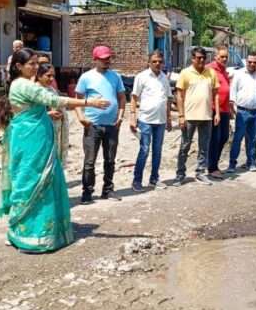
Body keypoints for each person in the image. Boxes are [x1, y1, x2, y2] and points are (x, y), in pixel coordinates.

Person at [0, 48, 109, 254]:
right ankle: (26, 232)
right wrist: (89, 102)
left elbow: (42, 104)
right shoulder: (21, 84)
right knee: (30, 180)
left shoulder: (26, 83)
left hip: (38, 137)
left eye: (36, 63)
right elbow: (55, 100)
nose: (35, 67)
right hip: (29, 140)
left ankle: (45, 230)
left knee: (46, 179)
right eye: (31, 64)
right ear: (19, 66)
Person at [74, 45, 126, 203]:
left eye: (108, 58)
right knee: (90, 161)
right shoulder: (86, 77)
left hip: (112, 125)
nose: (107, 61)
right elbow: (77, 99)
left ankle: (108, 190)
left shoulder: (116, 76)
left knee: (110, 159)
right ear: (95, 59)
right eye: (103, 59)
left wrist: (121, 116)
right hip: (92, 125)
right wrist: (81, 117)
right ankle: (87, 192)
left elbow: (122, 98)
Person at [174, 47, 220, 186]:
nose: (201, 60)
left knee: (204, 147)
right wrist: (181, 116)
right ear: (192, 58)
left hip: (206, 116)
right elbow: (179, 95)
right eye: (198, 58)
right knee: (185, 146)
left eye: (203, 58)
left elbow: (216, 93)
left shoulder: (211, 73)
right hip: (189, 117)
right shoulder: (185, 73)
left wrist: (217, 113)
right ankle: (180, 174)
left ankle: (200, 172)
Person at [129, 50, 172, 192]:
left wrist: (169, 118)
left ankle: (154, 179)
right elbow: (134, 97)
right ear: (149, 62)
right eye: (154, 61)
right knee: (145, 150)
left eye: (160, 61)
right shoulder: (141, 77)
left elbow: (168, 99)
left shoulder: (164, 78)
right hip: (145, 120)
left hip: (161, 121)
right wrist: (132, 117)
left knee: (157, 151)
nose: (157, 64)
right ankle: (137, 180)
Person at [227, 51, 256, 173]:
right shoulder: (239, 74)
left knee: (253, 139)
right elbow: (233, 90)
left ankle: (251, 163)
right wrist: (232, 105)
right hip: (243, 112)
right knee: (238, 138)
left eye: (255, 62)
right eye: (250, 62)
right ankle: (232, 164)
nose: (252, 64)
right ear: (246, 62)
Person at [206, 45, 231, 179]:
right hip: (214, 109)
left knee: (224, 137)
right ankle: (212, 167)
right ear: (216, 57)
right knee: (215, 139)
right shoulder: (210, 69)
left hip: (225, 109)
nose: (224, 59)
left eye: (226, 56)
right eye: (222, 56)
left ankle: (214, 164)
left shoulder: (224, 70)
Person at [36, 63, 68, 162]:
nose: (51, 79)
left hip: (55, 130)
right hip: (41, 132)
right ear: (39, 76)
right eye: (48, 76)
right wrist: (48, 114)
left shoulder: (51, 90)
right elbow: (29, 114)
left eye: (53, 76)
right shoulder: (34, 91)